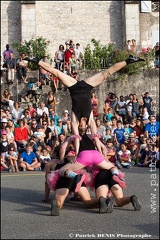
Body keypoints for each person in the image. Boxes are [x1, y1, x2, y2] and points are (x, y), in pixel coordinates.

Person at [24, 54, 145, 157]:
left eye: (80, 128)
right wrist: (100, 153)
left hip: (74, 87)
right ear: (85, 126)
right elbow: (96, 138)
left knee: (55, 72)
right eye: (83, 128)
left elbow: (76, 137)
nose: (81, 128)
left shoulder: (75, 119)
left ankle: (35, 60)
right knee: (107, 72)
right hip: (87, 87)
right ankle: (129, 60)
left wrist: (76, 153)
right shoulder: (90, 119)